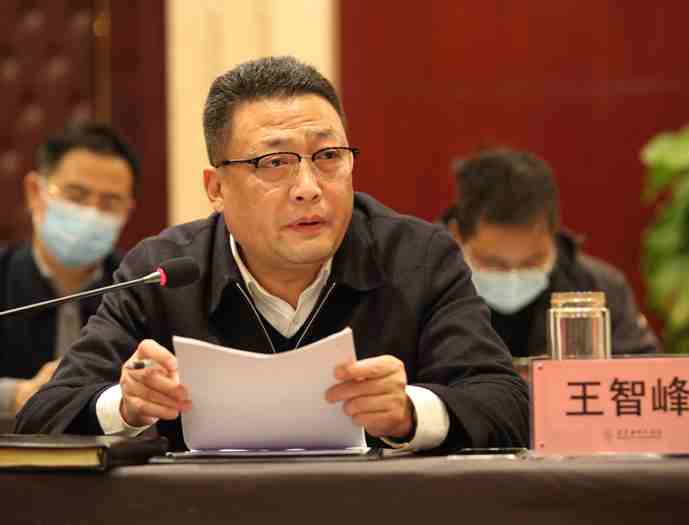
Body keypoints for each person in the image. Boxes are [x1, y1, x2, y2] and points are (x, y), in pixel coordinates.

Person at [15, 56, 528, 452]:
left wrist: (411, 411)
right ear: (216, 188)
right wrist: (125, 406)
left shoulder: (418, 259)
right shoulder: (163, 272)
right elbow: (43, 415)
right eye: (274, 162)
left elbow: (508, 403)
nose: (308, 187)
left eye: (328, 156)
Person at [443, 148, 660, 358]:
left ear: (555, 235)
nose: (513, 277)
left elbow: (643, 369)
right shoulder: (429, 288)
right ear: (457, 235)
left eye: (532, 262)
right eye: (493, 264)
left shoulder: (599, 288)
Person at [0, 124, 138, 415]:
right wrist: (13, 396)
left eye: (110, 202)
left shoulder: (139, 287)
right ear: (35, 192)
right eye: (76, 196)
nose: (92, 212)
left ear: (127, 211)